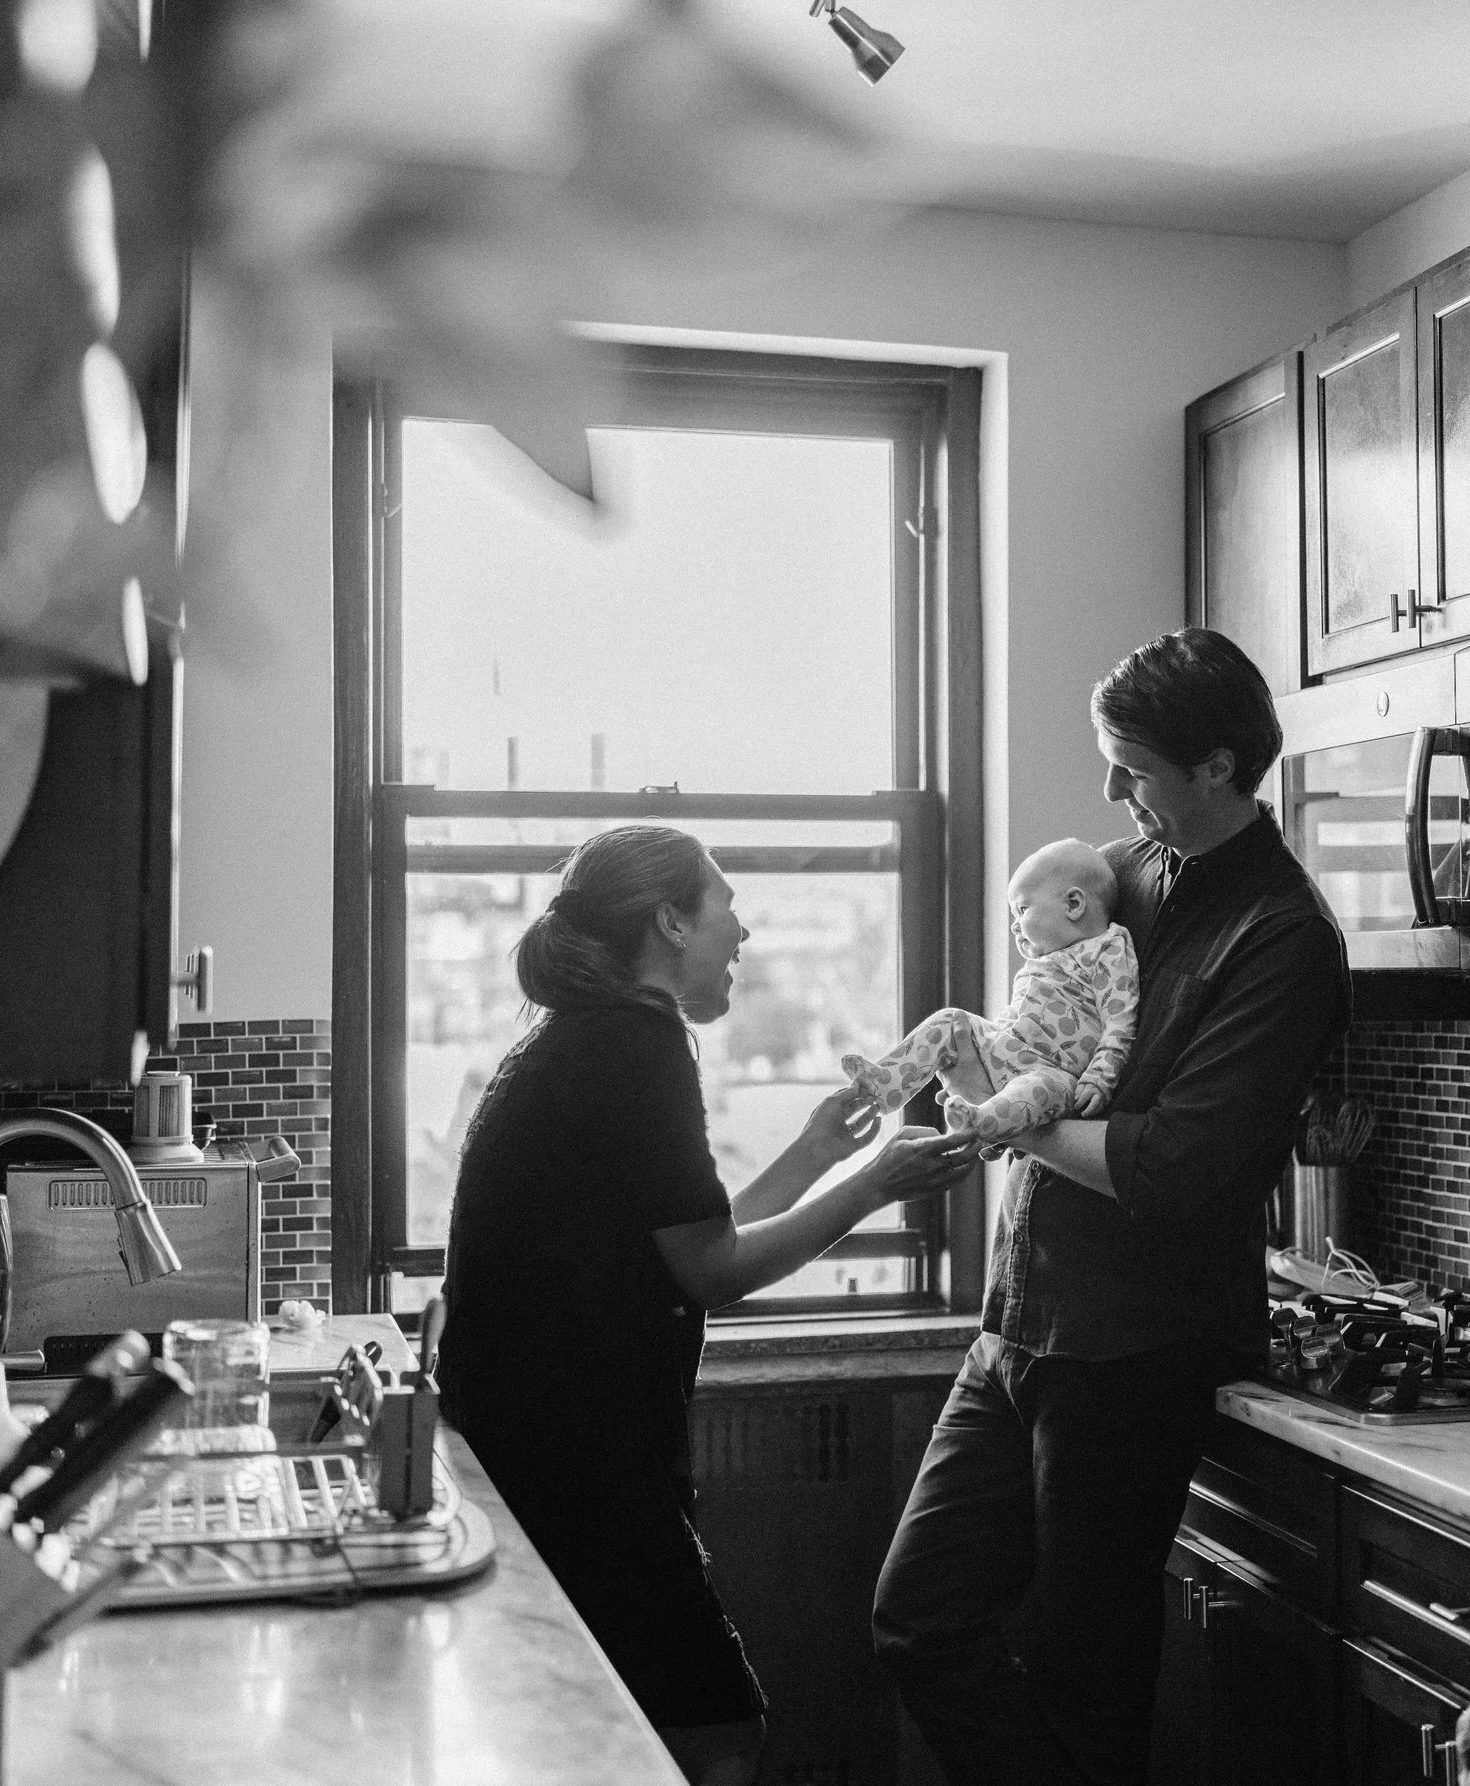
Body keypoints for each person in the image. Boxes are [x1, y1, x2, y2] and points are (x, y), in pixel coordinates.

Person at [871, 628, 1354, 1785]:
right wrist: (978, 1072)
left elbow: (1175, 1164)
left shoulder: (1285, 940)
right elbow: (1041, 1029)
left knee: (1086, 1673)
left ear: (1219, 769)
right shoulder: (1118, 872)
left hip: (1136, 1354)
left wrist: (1004, 1120)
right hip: (1018, 1319)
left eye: (1130, 766)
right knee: (916, 1618)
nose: (1109, 791)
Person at [435, 824, 983, 1786]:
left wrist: (823, 1150)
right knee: (718, 1736)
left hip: (543, 1451)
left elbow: (691, 1233)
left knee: (609, 1730)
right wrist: (873, 1189)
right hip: (579, 1466)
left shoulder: (584, 1039)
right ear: (671, 921)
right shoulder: (639, 1046)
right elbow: (712, 1271)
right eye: (728, 907)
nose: (745, 933)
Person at [841, 838, 1140, 1140]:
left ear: (1073, 904)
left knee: (1036, 1091)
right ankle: (885, 1085)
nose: (1014, 925)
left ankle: (981, 1120)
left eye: (1022, 909)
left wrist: (1101, 1075)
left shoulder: (1107, 948)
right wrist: (984, 1048)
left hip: (1054, 1072)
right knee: (950, 1020)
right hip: (1006, 1046)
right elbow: (1016, 1016)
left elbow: (1120, 1020)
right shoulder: (1043, 962)